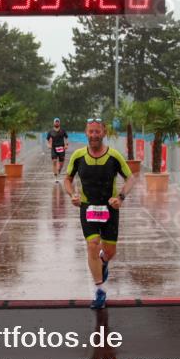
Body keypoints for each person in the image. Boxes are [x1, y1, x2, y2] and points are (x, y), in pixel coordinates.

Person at [63, 118, 136, 309]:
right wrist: (73, 194)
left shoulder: (114, 156)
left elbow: (130, 178)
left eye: (97, 131)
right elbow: (67, 180)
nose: (94, 135)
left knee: (109, 251)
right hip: (88, 207)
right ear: (86, 133)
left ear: (103, 133)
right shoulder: (78, 156)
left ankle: (103, 262)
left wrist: (120, 197)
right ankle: (100, 291)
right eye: (91, 131)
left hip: (110, 208)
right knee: (92, 245)